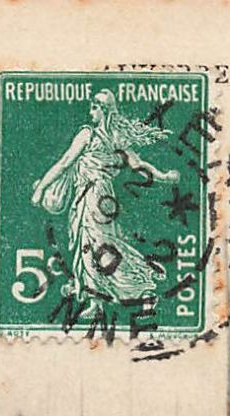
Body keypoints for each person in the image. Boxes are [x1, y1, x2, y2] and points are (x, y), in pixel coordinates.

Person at [31, 90, 180, 317]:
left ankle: (140, 288)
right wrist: (163, 176)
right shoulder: (114, 139)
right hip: (103, 199)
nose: (91, 110)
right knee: (99, 244)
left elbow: (63, 163)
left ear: (103, 110)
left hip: (92, 198)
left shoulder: (87, 135)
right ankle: (96, 299)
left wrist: (41, 188)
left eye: (94, 106)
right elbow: (140, 165)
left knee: (95, 245)